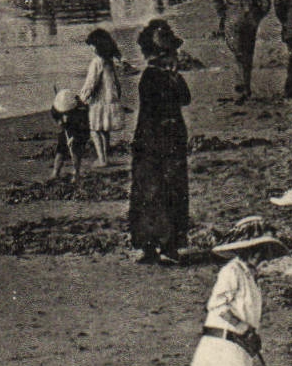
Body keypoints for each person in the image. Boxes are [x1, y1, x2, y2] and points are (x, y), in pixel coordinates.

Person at [188, 220, 288, 366]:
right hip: (226, 336)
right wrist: (242, 328)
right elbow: (217, 305)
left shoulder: (248, 274)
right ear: (245, 251)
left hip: (237, 337)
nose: (260, 257)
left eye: (262, 253)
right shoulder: (231, 272)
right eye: (256, 252)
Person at [129, 19, 192, 264]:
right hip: (161, 140)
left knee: (151, 192)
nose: (175, 56)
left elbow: (184, 99)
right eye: (172, 52)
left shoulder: (156, 76)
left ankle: (153, 245)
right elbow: (176, 102)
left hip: (152, 139)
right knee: (164, 191)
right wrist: (174, 78)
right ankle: (163, 246)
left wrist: (175, 78)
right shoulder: (155, 78)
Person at [213, 0, 271, 103]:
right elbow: (266, 4)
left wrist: (224, 15)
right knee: (248, 52)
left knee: (236, 52)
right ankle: (246, 86)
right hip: (251, 19)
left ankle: (240, 88)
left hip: (232, 18)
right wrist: (256, 16)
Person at [79, 28, 122, 168]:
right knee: (105, 130)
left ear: (97, 46)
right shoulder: (109, 61)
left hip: (98, 102)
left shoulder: (96, 62)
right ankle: (105, 158)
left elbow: (91, 83)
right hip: (110, 100)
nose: (91, 48)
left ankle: (101, 159)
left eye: (91, 45)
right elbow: (117, 82)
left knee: (95, 130)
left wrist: (83, 98)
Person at [49, 89, 89, 180]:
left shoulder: (81, 109)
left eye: (68, 113)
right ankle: (56, 172)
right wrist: (60, 121)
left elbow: (84, 126)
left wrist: (74, 136)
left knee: (75, 149)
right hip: (66, 128)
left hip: (80, 129)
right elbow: (55, 116)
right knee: (61, 149)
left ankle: (76, 172)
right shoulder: (55, 109)